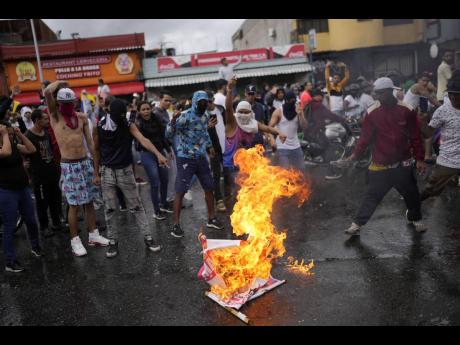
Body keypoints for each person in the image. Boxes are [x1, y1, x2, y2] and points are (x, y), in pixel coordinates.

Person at [342, 77, 426, 235]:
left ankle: (416, 219)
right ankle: (357, 224)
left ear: (390, 91)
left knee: (411, 195)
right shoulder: (372, 112)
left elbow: (415, 135)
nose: (378, 97)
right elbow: (365, 138)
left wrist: (420, 158)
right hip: (381, 164)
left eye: (381, 93)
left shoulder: (406, 109)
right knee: (372, 196)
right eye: (376, 94)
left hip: (403, 163)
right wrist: (354, 155)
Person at [44, 81, 109, 257]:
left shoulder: (81, 118)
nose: (67, 106)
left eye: (70, 103)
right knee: (74, 205)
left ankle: (94, 235)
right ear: (58, 103)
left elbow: (91, 145)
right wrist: (61, 83)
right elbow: (47, 92)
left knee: (89, 201)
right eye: (64, 103)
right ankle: (75, 241)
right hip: (69, 166)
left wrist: (96, 170)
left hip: (84, 163)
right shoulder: (55, 116)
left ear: (74, 102)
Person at [93, 98, 165, 257]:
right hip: (107, 172)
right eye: (118, 115)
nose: (121, 118)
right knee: (110, 209)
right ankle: (113, 242)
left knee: (137, 206)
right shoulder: (98, 127)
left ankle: (148, 238)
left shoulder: (127, 124)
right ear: (109, 113)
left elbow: (143, 139)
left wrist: (158, 154)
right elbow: (96, 150)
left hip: (125, 171)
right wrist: (96, 173)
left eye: (122, 114)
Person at [166, 91, 224, 238]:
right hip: (185, 158)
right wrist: (173, 120)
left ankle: (211, 218)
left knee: (209, 187)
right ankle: (175, 225)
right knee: (180, 190)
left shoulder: (204, 116)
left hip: (201, 157)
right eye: (201, 103)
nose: (204, 105)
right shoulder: (184, 116)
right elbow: (168, 134)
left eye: (206, 102)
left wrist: (210, 147)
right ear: (194, 102)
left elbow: (204, 133)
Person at [223, 78, 287, 202]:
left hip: (249, 160)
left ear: (250, 113)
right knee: (239, 193)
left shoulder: (253, 122)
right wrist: (230, 90)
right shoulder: (232, 122)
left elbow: (267, 128)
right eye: (240, 112)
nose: (243, 114)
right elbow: (228, 107)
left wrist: (279, 133)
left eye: (246, 112)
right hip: (233, 164)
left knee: (253, 188)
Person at [0, 122, 42, 272]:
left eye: (11, 134)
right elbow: (5, 153)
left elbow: (32, 149)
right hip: (7, 192)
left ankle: (35, 246)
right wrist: (4, 134)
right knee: (9, 227)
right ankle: (10, 262)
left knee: (31, 220)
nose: (10, 136)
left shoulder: (14, 145)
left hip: (23, 189)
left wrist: (19, 134)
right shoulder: (3, 148)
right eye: (7, 134)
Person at [421, 73, 460, 201]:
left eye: (456, 94)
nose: (453, 97)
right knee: (430, 191)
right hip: (448, 160)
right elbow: (428, 133)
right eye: (451, 94)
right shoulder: (442, 111)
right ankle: (414, 209)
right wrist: (422, 121)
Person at [25, 109, 63, 238]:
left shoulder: (46, 133)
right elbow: (22, 153)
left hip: (52, 173)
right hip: (39, 176)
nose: (48, 121)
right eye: (45, 119)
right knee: (42, 203)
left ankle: (57, 223)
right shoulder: (28, 135)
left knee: (55, 199)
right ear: (37, 120)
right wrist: (26, 168)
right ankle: (44, 226)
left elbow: (51, 151)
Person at [135, 101, 173, 220]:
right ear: (139, 112)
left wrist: (168, 149)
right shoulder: (138, 124)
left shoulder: (156, 119)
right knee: (155, 181)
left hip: (161, 152)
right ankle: (156, 211)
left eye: (147, 109)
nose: (146, 111)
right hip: (147, 155)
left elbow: (163, 136)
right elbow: (139, 143)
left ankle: (164, 204)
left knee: (165, 178)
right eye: (143, 109)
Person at [303, 88, 351, 180]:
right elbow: (329, 114)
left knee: (324, 149)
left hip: (310, 132)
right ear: (316, 96)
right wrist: (343, 119)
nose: (322, 97)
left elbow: (319, 117)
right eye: (321, 95)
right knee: (329, 150)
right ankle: (330, 173)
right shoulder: (318, 105)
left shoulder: (310, 104)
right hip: (316, 132)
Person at [403, 72, 441, 163]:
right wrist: (445, 107)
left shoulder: (418, 91)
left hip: (407, 115)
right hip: (408, 115)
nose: (425, 83)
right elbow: (432, 100)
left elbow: (425, 108)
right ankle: (427, 156)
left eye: (427, 81)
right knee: (428, 135)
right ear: (418, 80)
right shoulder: (417, 86)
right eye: (423, 80)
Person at [268, 91, 306, 171]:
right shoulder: (278, 111)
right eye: (289, 101)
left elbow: (304, 127)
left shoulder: (298, 110)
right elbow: (269, 128)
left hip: (296, 146)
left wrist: (300, 114)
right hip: (282, 147)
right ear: (285, 100)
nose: (291, 103)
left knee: (301, 170)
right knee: (285, 172)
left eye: (293, 101)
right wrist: (272, 140)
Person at [206, 91, 226, 213]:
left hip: (226, 146)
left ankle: (229, 196)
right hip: (213, 148)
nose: (208, 103)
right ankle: (218, 199)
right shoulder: (203, 114)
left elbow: (228, 124)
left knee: (228, 173)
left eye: (209, 100)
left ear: (213, 99)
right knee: (216, 174)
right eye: (205, 102)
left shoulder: (221, 110)